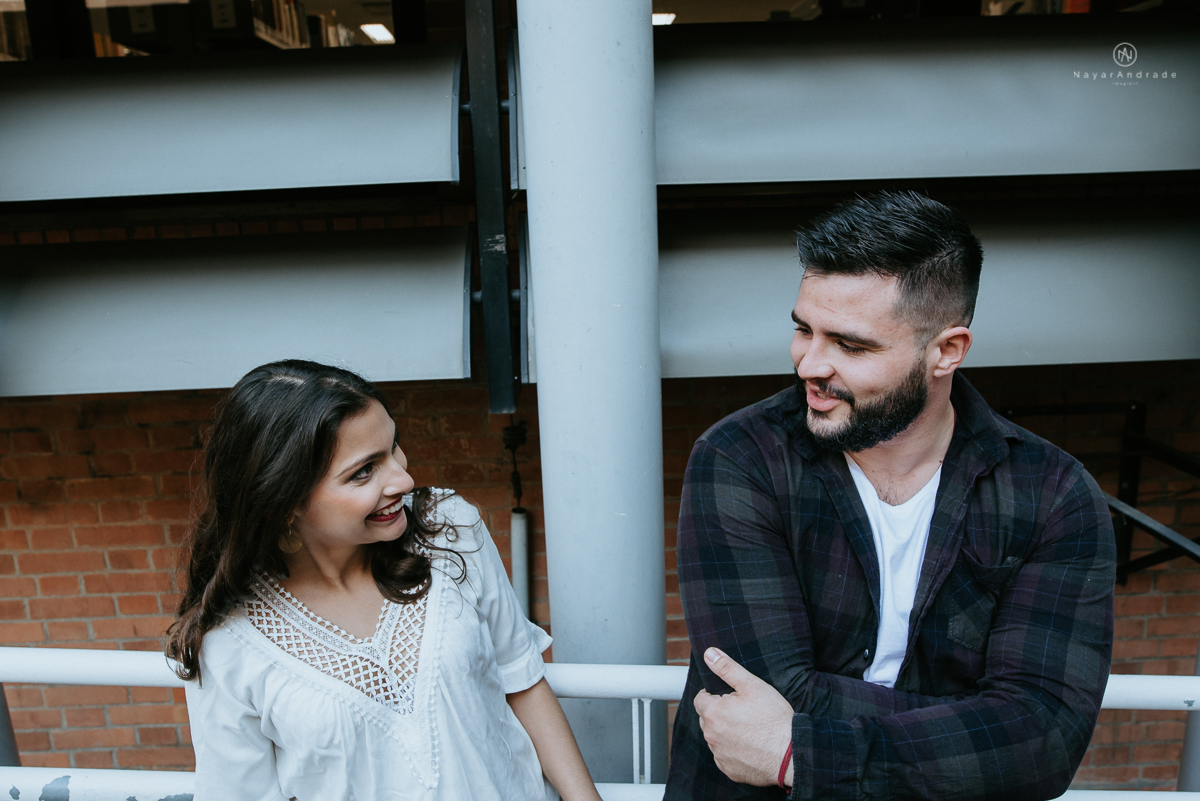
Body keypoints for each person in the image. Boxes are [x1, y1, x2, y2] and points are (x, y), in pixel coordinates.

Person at [665, 191, 1115, 801]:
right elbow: (766, 690)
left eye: (851, 346)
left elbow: (1044, 741)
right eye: (803, 330)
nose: (809, 365)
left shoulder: (1051, 493)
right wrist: (977, 724)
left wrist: (802, 753)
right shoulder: (743, 457)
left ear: (946, 351)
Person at [167, 359, 602, 801]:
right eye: (363, 471)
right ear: (283, 501)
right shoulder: (229, 644)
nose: (403, 479)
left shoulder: (450, 529)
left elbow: (522, 681)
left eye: (394, 448)